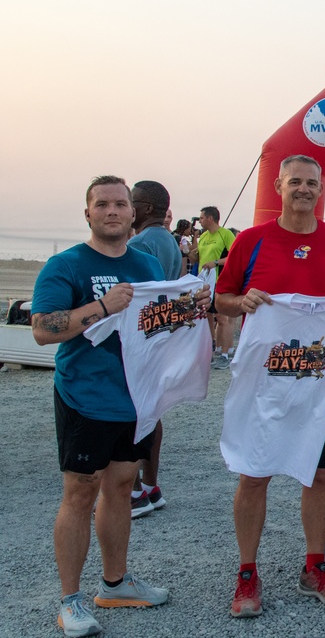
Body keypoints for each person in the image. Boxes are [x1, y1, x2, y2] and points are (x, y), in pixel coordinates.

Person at [32, 176, 205, 637]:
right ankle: (70, 600)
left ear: (134, 213)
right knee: (81, 491)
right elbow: (43, 330)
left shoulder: (148, 265)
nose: (112, 211)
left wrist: (193, 305)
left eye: (120, 204)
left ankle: (114, 583)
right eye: (102, 204)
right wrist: (103, 307)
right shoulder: (64, 265)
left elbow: (163, 322)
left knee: (122, 485)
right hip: (84, 395)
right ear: (87, 213)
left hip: (136, 397)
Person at [215, 155, 325, 618]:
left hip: (317, 385)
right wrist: (240, 301)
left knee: (320, 473)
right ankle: (247, 573)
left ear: (321, 189)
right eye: (295, 182)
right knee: (255, 474)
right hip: (264, 385)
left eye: (312, 183)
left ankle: (315, 566)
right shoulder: (251, 241)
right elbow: (221, 300)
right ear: (279, 187)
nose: (304, 189)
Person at [126, 180, 184, 518]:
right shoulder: (169, 242)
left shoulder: (141, 242)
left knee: (130, 414)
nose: (127, 209)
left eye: (131, 202)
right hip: (161, 335)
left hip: (140, 337)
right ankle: (151, 485)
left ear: (146, 208)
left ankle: (132, 492)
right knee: (152, 411)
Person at [197, 205, 236, 368]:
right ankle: (211, 350)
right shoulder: (204, 236)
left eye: (201, 218)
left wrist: (215, 263)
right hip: (204, 282)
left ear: (210, 218)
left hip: (220, 281)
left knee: (222, 318)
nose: (199, 221)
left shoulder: (225, 234)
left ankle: (225, 353)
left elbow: (235, 256)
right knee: (206, 317)